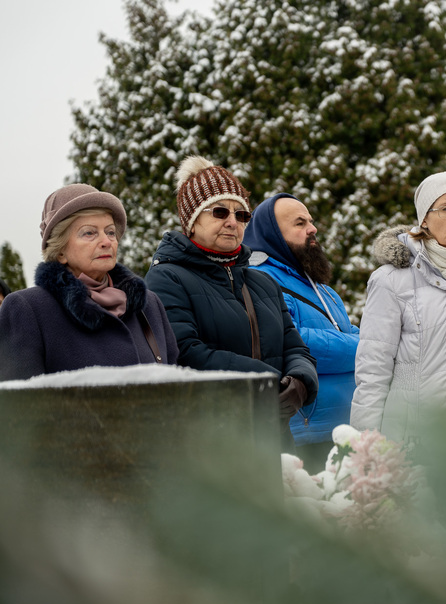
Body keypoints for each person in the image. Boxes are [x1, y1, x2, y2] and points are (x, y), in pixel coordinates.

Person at [145, 156, 318, 446]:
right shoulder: (165, 279)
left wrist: (300, 382)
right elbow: (185, 353)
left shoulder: (263, 282)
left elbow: (295, 346)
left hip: (274, 437)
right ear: (191, 222)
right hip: (209, 443)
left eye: (241, 215)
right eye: (219, 212)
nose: (231, 222)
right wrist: (267, 381)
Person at [351, 171, 446, 445]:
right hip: (415, 441)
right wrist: (363, 446)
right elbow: (373, 370)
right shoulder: (390, 279)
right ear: (424, 218)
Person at [0, 184, 178, 380]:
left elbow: (178, 390)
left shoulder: (149, 305)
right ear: (60, 251)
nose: (106, 241)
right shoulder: (28, 309)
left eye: (110, 232)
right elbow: (19, 405)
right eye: (89, 233)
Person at [244, 194, 360, 469]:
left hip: (347, 429)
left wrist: (362, 343)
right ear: (273, 234)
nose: (313, 228)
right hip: (308, 439)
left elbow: (350, 331)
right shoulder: (262, 280)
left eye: (310, 220)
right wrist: (364, 347)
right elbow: (294, 341)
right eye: (299, 223)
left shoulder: (323, 289)